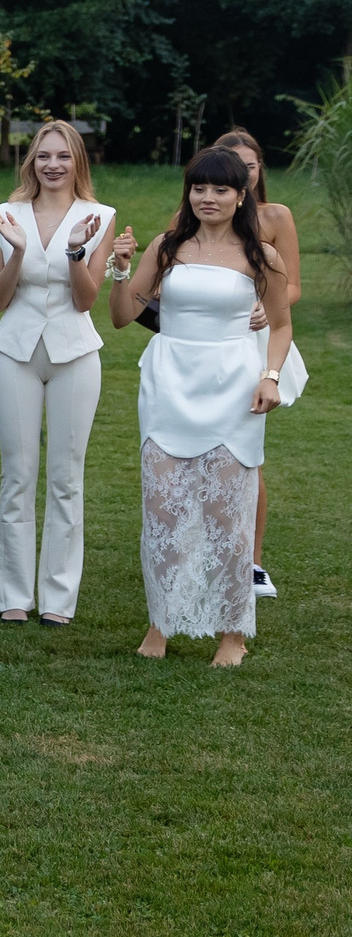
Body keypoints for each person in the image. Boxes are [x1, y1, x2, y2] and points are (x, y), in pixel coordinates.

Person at [107, 144, 293, 665]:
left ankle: (233, 633)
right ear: (188, 193)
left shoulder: (262, 256)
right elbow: (123, 317)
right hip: (169, 381)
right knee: (162, 508)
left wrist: (270, 376)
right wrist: (121, 270)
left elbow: (280, 325)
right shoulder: (168, 246)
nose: (208, 197)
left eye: (221, 189)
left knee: (226, 514)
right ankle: (160, 625)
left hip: (232, 385)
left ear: (241, 196)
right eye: (199, 187)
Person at [0, 121, 109, 625]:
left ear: (77, 161)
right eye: (42, 157)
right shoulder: (6, 214)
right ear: (30, 162)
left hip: (75, 353)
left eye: (62, 156)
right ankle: (14, 595)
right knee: (17, 475)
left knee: (66, 478)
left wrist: (77, 250)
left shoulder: (99, 216)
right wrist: (15, 249)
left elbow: (86, 300)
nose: (52, 165)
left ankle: (58, 599)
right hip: (15, 350)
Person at [211, 128, 308, 598]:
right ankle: (200, 552)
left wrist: (265, 308)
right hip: (206, 344)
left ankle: (252, 563)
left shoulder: (275, 216)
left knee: (247, 454)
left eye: (249, 166)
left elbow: (291, 287)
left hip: (256, 340)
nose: (241, 172)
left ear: (257, 171)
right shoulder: (197, 214)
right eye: (232, 165)